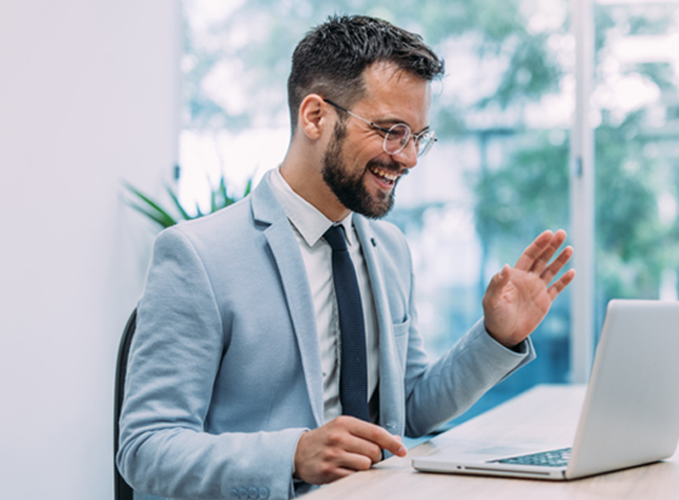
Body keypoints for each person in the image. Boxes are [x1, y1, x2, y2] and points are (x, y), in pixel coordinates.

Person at [116, 15, 577, 500]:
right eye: (390, 131)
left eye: (417, 137)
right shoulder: (197, 255)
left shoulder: (389, 249)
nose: (409, 158)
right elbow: (145, 448)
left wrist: (496, 337)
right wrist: (293, 455)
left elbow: (412, 409)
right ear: (315, 116)